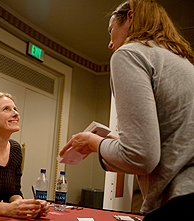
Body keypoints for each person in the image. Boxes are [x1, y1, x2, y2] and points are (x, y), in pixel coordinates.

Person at [59, 0, 194, 220]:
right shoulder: (184, 62)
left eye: (111, 31)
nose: (110, 44)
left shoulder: (129, 54)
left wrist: (93, 143)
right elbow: (173, 140)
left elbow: (142, 157)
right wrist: (116, 138)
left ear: (130, 18)